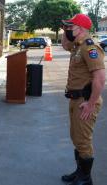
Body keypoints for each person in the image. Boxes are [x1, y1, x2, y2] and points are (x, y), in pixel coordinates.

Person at [61, 13, 105, 185]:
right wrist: (65, 29)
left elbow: (100, 78)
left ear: (80, 28)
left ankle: (86, 179)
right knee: (76, 138)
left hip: (86, 101)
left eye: (71, 27)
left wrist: (91, 104)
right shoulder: (77, 45)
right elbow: (65, 44)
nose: (69, 30)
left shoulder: (90, 47)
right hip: (75, 100)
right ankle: (80, 172)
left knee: (83, 140)